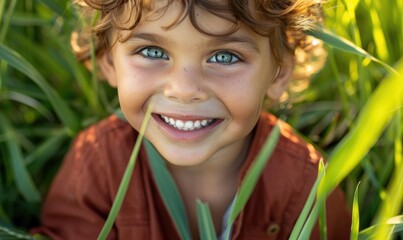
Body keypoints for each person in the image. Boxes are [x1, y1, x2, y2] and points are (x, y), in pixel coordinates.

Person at [32, 0, 351, 239]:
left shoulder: (307, 186)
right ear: (108, 61)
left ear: (279, 71)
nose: (184, 91)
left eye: (224, 57)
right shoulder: (96, 166)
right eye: (153, 53)